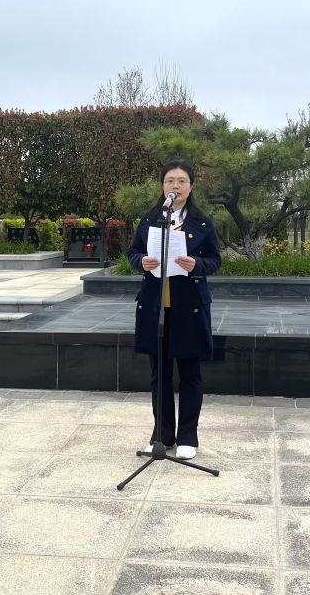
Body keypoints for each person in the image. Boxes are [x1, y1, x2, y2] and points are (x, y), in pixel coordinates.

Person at [127, 159, 221, 460]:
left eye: (181, 181)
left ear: (190, 186)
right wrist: (141, 262)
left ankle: (188, 437)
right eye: (170, 181)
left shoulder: (202, 222)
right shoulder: (151, 218)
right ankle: (162, 435)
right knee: (160, 375)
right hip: (157, 307)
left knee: (190, 373)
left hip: (188, 307)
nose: (175, 186)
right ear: (163, 185)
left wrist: (197, 264)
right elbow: (133, 251)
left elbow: (215, 260)